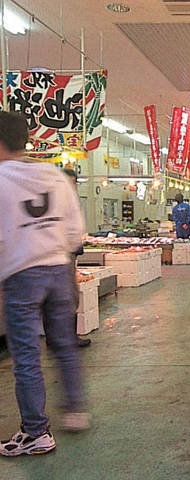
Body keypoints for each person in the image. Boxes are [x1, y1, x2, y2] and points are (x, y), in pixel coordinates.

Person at [0, 111, 89, 457]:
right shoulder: (54, 175)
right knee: (64, 345)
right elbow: (73, 230)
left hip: (22, 274)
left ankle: (36, 431)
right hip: (59, 269)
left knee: (26, 354)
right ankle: (76, 409)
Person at [61, 168, 92, 348]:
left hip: (68, 256)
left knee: (68, 296)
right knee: (68, 297)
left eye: (73, 183)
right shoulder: (59, 203)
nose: (72, 187)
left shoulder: (70, 202)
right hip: (61, 257)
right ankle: (67, 338)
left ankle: (62, 337)